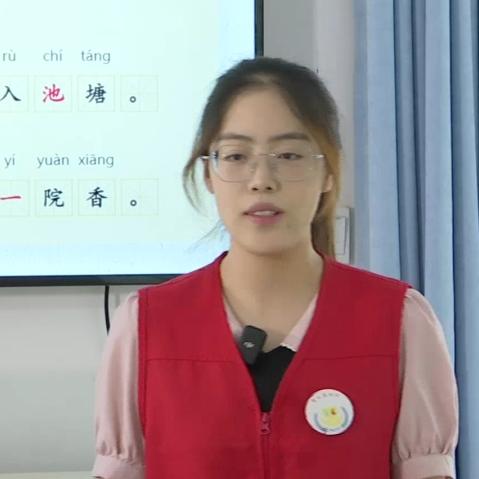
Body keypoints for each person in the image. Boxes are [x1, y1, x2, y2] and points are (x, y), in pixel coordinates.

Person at [92, 57, 458, 479]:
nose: (261, 179)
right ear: (208, 174)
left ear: (328, 171)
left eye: (288, 154)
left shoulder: (400, 319)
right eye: (236, 155)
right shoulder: (145, 325)